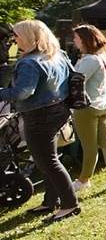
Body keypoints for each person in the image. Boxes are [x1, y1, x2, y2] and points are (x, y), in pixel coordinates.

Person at [0, 20, 78, 223]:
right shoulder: (57, 54)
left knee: (48, 161)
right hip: (58, 110)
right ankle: (50, 201)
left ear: (28, 37)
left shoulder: (29, 62)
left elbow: (23, 92)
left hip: (40, 116)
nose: (14, 39)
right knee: (48, 159)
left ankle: (70, 204)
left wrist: (1, 92)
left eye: (16, 35)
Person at [71, 25, 106, 192]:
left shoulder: (90, 60)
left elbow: (76, 80)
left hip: (87, 107)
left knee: (89, 146)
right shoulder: (104, 56)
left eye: (76, 37)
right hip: (102, 105)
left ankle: (83, 180)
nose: (74, 40)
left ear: (84, 39)